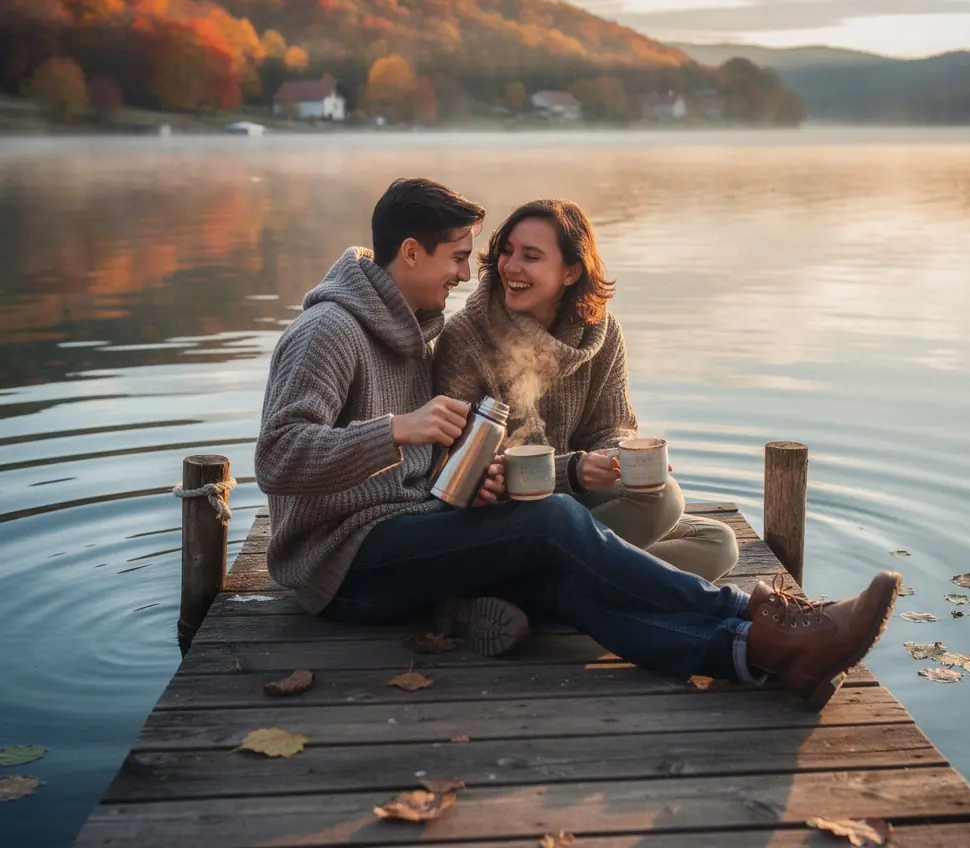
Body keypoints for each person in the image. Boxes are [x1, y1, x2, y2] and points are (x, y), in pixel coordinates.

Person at [255, 176, 901, 713]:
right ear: (412, 253)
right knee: (553, 524)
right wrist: (400, 430)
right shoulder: (330, 331)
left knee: (571, 580)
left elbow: (421, 474)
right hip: (340, 564)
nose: (469, 274)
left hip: (406, 531)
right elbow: (278, 457)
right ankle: (762, 618)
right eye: (460, 256)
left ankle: (756, 654)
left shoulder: (408, 333)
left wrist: (459, 475)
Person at [433, 198, 738, 582]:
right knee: (667, 503)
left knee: (716, 539)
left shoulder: (602, 333)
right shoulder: (465, 339)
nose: (511, 267)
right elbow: (469, 473)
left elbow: (613, 425)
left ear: (571, 271)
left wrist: (617, 457)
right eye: (507, 251)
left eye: (531, 256)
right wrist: (572, 471)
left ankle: (539, 593)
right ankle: (563, 587)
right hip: (508, 519)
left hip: (584, 509)